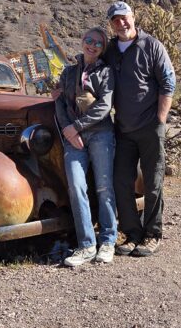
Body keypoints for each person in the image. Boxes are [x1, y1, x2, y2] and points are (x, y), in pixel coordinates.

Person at [104, 1, 175, 257]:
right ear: (111, 25)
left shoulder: (152, 46)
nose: (121, 23)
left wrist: (160, 119)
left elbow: (168, 82)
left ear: (133, 17)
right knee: (121, 181)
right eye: (115, 20)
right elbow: (89, 68)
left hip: (149, 127)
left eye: (124, 18)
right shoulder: (110, 50)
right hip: (123, 128)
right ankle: (132, 233)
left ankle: (153, 233)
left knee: (153, 182)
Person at [55, 27, 118, 266]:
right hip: (73, 137)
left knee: (104, 187)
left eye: (98, 43)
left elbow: (104, 106)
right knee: (76, 187)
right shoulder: (69, 72)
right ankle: (86, 245)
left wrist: (77, 127)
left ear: (103, 49)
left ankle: (108, 240)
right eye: (88, 40)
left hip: (100, 134)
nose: (92, 45)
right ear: (82, 41)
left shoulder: (106, 73)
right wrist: (67, 130)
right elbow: (60, 103)